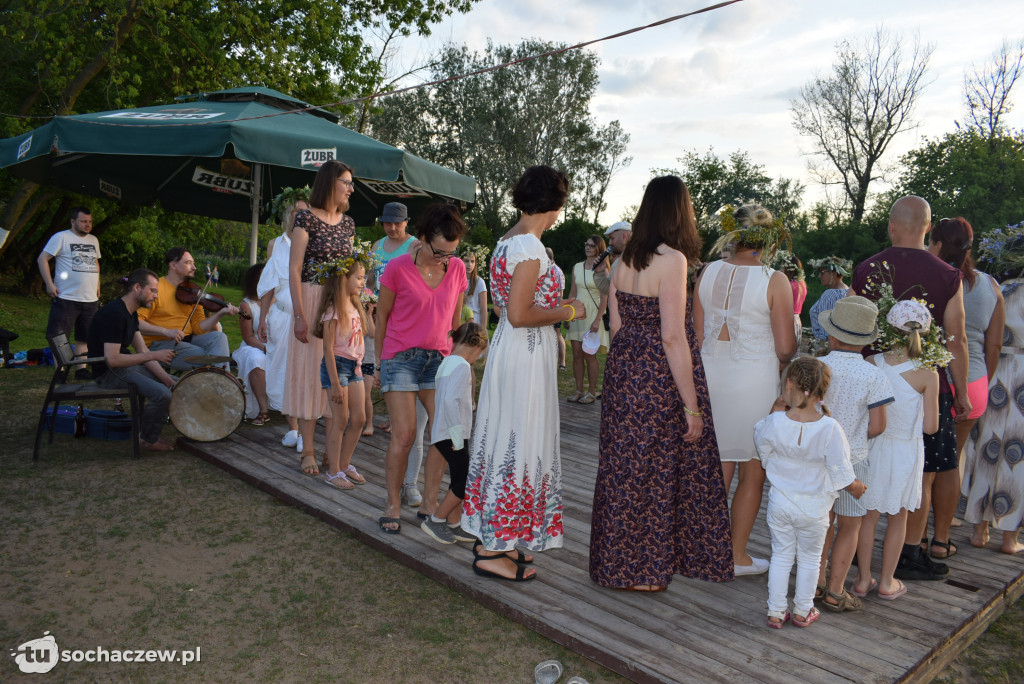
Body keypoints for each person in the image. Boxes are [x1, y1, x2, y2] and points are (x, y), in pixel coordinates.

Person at [589, 175, 733, 591]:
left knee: (622, 468)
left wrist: (626, 372)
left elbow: (616, 327)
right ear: (680, 211)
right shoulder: (672, 261)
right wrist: (691, 406)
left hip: (623, 370)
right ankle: (644, 574)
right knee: (653, 472)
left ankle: (613, 566)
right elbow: (672, 336)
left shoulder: (622, 260)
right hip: (657, 374)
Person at [462, 165, 584, 582]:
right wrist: (569, 310)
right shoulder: (529, 248)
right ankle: (492, 548)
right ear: (556, 203)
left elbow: (504, 309)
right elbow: (516, 315)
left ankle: (503, 536)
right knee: (515, 438)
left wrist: (553, 308)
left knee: (509, 436)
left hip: (515, 352)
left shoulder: (506, 242)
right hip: (524, 353)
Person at [852, 195, 968, 581]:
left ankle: (855, 545)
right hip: (923, 382)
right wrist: (962, 391)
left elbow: (852, 329)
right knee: (924, 469)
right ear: (928, 227)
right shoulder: (948, 275)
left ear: (891, 226)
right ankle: (908, 553)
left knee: (863, 460)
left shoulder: (867, 269)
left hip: (871, 380)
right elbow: (958, 339)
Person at [693, 204, 798, 576]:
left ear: (732, 235)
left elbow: (699, 333)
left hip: (710, 377)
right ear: (768, 239)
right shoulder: (775, 280)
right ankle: (735, 555)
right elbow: (785, 348)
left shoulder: (707, 272)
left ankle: (704, 550)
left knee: (715, 465)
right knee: (752, 472)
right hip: (753, 380)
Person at [374, 203, 468, 534]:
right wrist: (378, 363)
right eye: (440, 251)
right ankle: (393, 503)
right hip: (399, 357)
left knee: (443, 434)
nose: (445, 258)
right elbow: (382, 316)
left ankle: (429, 504)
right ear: (424, 237)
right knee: (405, 434)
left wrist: (457, 361)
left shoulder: (457, 270)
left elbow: (456, 321)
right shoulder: (397, 268)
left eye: (451, 253)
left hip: (439, 360)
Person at [755, 357, 864, 629]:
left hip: (781, 502)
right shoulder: (830, 428)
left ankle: (776, 611)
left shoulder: (774, 422)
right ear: (823, 393)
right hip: (814, 509)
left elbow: (762, 445)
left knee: (780, 555)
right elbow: (841, 470)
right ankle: (803, 610)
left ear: (788, 383)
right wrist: (856, 487)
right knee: (810, 559)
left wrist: (774, 464)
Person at [854, 300, 940, 601]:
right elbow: (931, 428)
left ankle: (863, 580)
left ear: (888, 329)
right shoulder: (928, 374)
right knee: (898, 517)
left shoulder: (870, 363)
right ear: (925, 333)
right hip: (904, 453)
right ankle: (888, 581)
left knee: (868, 516)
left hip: (872, 448)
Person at [813, 296, 894, 613]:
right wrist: (853, 438)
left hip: (818, 459)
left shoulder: (818, 367)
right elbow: (878, 426)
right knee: (850, 525)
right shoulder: (874, 375)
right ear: (865, 340)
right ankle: (835, 592)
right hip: (854, 461)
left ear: (832, 335)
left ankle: (815, 582)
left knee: (822, 522)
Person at [929, 218, 1005, 534]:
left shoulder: (931, 279)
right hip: (974, 383)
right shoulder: (990, 286)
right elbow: (995, 343)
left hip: (933, 383)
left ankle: (917, 535)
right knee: (951, 461)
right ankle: (942, 535)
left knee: (926, 466)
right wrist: (982, 381)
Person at [287, 159, 356, 476]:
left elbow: (351, 270)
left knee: (335, 374)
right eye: (346, 182)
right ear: (330, 183)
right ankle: (309, 451)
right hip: (310, 301)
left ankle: (333, 452)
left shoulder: (348, 224)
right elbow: (294, 269)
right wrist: (300, 316)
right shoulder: (305, 219)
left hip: (338, 305)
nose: (350, 188)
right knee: (310, 377)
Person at [962, 224, 1024, 554]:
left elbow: (991, 337)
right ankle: (1010, 537)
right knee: (1018, 455)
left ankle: (978, 530)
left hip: (997, 373)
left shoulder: (1002, 288)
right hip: (1023, 379)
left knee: (988, 449)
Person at [370, 201, 428, 502]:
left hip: (413, 330)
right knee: (402, 428)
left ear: (407, 222)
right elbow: (369, 281)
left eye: (397, 223)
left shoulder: (416, 247)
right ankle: (399, 485)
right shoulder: (377, 246)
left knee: (416, 427)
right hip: (384, 327)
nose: (392, 228)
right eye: (387, 223)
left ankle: (411, 483)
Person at [87, 269, 177, 451]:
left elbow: (142, 349)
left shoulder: (131, 312)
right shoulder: (114, 314)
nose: (156, 296)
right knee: (162, 394)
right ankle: (146, 439)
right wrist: (154, 355)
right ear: (137, 288)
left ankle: (148, 431)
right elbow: (112, 359)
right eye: (153, 291)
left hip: (125, 367)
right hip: (108, 373)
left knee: (171, 385)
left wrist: (167, 379)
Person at [420, 322, 489, 545]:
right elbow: (451, 402)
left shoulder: (447, 362)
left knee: (460, 477)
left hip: (445, 432)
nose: (478, 359)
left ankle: (454, 522)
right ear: (475, 346)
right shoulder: (461, 366)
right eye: (480, 354)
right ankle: (436, 520)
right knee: (465, 481)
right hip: (453, 435)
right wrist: (458, 438)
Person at [314, 253, 373, 490]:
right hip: (337, 367)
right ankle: (333, 471)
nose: (362, 283)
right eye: (358, 278)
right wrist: (336, 383)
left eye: (363, 278)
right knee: (341, 419)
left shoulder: (356, 305)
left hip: (355, 366)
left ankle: (345, 464)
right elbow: (327, 349)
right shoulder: (333, 310)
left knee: (359, 419)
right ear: (343, 279)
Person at [258, 196, 308, 450]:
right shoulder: (274, 244)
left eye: (305, 213)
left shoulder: (314, 243)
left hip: (306, 318)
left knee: (303, 372)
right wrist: (263, 318)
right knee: (282, 372)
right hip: (279, 317)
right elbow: (268, 283)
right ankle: (293, 428)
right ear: (288, 215)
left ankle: (305, 433)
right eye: (296, 213)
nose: (300, 217)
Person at [137, 247, 237, 371]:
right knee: (208, 356)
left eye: (193, 263)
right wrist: (166, 331)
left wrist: (220, 314)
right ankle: (222, 384)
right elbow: (136, 322)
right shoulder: (157, 288)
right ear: (173, 265)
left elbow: (198, 327)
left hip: (188, 340)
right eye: (188, 263)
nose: (194, 267)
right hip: (159, 343)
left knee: (219, 337)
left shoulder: (193, 292)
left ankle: (220, 382)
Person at [37, 206, 100, 359]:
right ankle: (61, 371)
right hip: (66, 297)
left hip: (90, 299)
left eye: (90, 221)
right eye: (83, 221)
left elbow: (95, 263)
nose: (88, 225)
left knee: (85, 337)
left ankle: (81, 369)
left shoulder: (93, 240)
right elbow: (42, 259)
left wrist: (98, 285)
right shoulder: (61, 237)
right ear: (73, 221)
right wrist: (49, 284)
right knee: (59, 337)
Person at [565, 234, 609, 404]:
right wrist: (568, 313)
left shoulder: (603, 268)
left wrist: (598, 320)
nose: (588, 247)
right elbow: (572, 292)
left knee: (589, 355)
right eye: (586, 244)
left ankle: (591, 392)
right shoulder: (577, 267)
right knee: (576, 354)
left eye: (591, 245)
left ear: (599, 249)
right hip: (577, 313)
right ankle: (578, 390)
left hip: (593, 314)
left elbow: (605, 298)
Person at [233, 263, 270, 425]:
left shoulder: (278, 300)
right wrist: (266, 349)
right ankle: (263, 410)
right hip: (253, 345)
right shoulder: (247, 305)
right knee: (256, 360)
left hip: (278, 345)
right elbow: (248, 336)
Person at [808, 256, 852, 341]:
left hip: (827, 347)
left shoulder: (830, 294)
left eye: (822, 272)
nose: (819, 276)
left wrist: (822, 347)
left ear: (834, 273)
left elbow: (826, 327)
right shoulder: (848, 291)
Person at [592, 220, 633, 295]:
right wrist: (599, 273)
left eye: (612, 238)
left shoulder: (640, 260)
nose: (610, 243)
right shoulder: (618, 262)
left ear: (625, 236)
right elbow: (609, 290)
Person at [545, 247, 568, 372]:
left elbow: (561, 293)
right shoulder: (544, 268)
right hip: (545, 306)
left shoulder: (557, 271)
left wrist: (558, 309)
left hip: (555, 306)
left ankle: (562, 362)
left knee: (557, 333)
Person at [463, 250, 489, 328]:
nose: (469, 265)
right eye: (466, 261)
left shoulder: (479, 282)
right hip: (461, 320)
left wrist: (483, 329)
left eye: (472, 261)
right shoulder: (455, 280)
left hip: (475, 321)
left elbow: (483, 309)